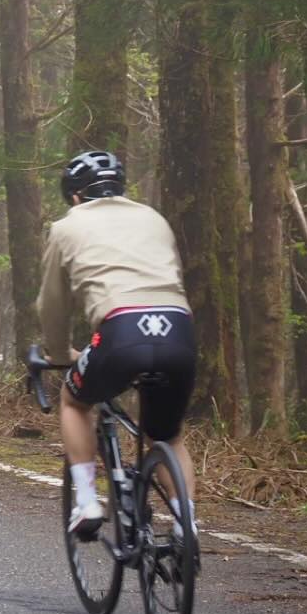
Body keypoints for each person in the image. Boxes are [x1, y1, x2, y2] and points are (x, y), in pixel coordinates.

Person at [38, 149, 198, 538]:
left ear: (76, 195)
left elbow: (52, 304)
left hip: (120, 329)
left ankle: (87, 502)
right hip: (178, 330)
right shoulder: (154, 219)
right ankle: (186, 523)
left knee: (75, 400)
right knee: (166, 433)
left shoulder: (66, 227)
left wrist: (58, 354)